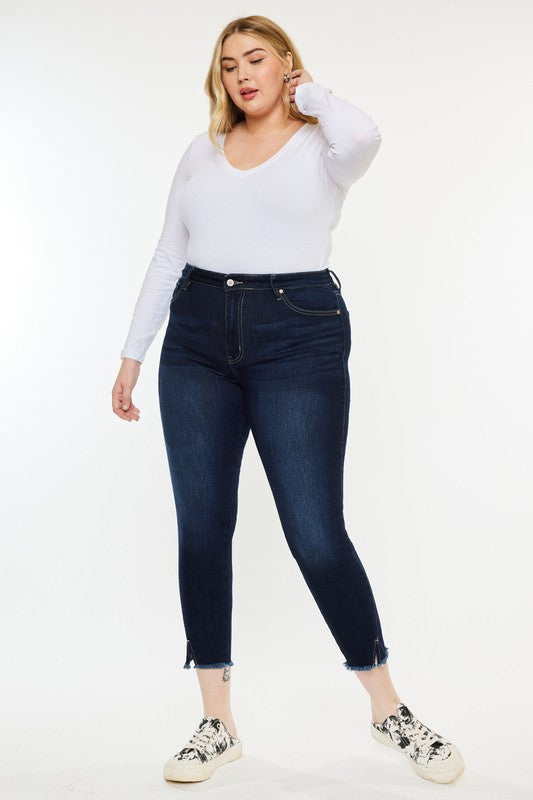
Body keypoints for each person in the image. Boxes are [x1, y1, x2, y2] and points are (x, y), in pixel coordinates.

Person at [112, 14, 464, 788]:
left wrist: (315, 95)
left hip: (297, 334)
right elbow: (169, 252)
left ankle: (387, 710)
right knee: (202, 530)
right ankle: (216, 724)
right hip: (196, 340)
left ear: (286, 66)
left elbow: (366, 137)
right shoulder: (202, 151)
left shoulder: (323, 146)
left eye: (256, 59)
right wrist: (133, 354)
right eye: (228, 64)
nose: (242, 74)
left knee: (314, 533)